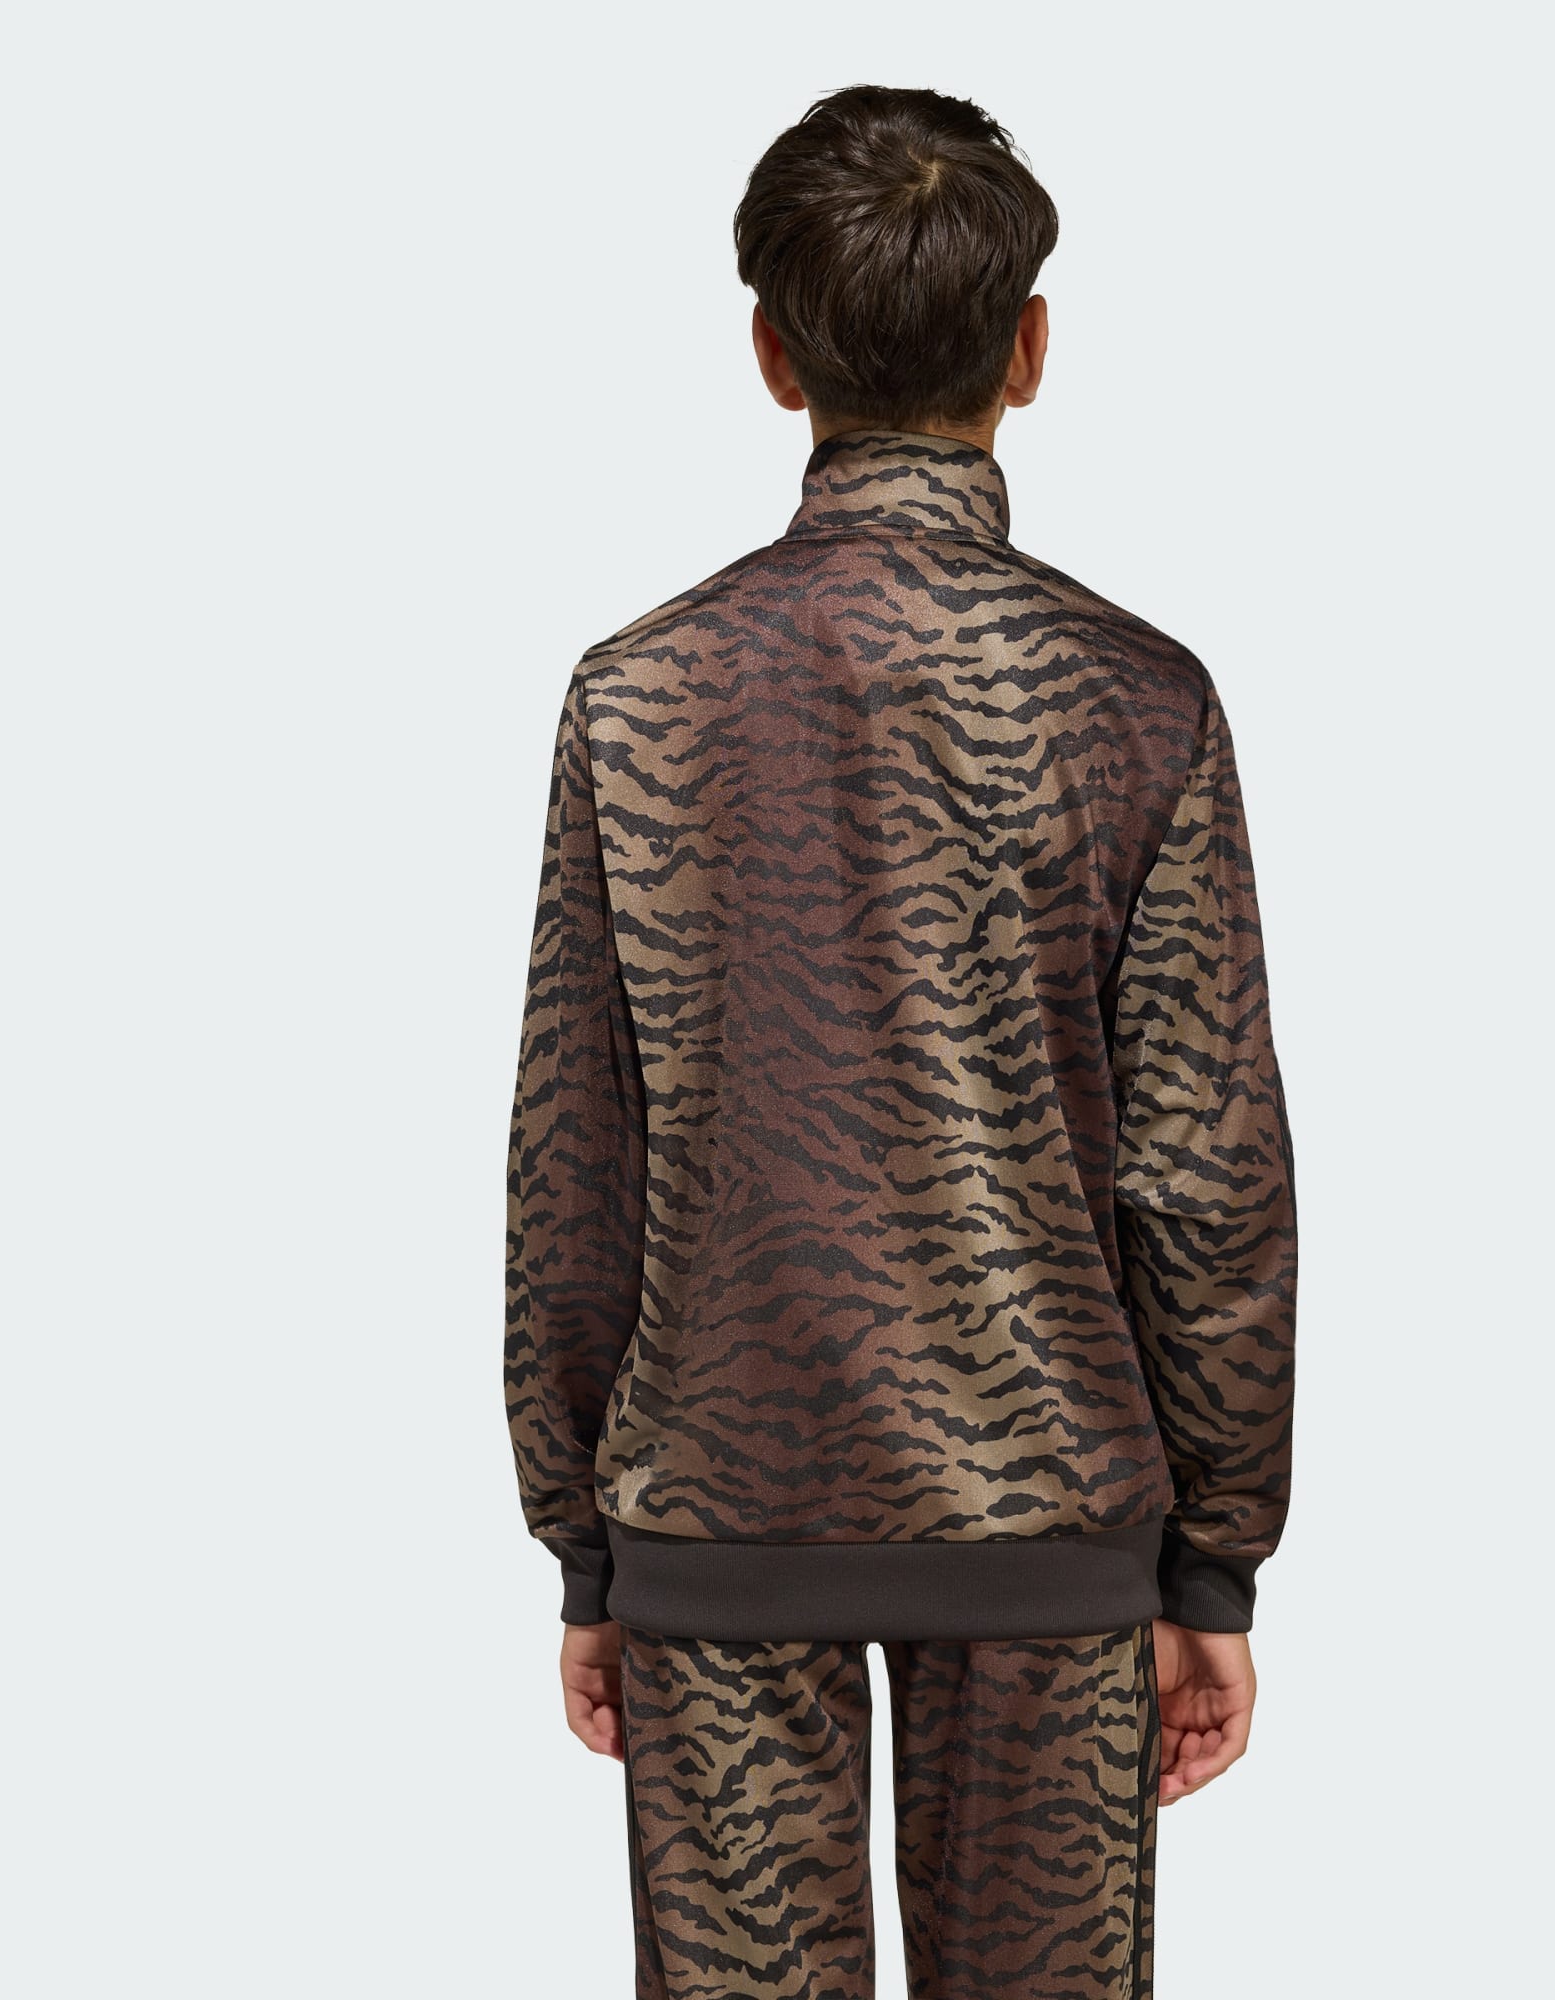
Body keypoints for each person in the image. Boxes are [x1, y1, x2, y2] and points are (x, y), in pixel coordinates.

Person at [504, 83, 1297, 2000]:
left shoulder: (638, 698)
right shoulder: (1138, 702)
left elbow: (575, 1166)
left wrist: (589, 1546)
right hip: (1051, 1522)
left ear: (772, 357)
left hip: (717, 1516)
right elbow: (1205, 1179)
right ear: (1031, 347)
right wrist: (1212, 1557)